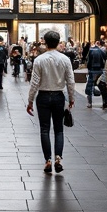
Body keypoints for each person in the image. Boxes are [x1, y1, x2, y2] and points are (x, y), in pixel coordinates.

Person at [26, 30, 76, 174]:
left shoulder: (39, 60)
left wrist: (30, 101)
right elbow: (70, 81)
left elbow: (34, 82)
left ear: (45, 42)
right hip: (59, 96)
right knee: (59, 129)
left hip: (42, 96)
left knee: (44, 129)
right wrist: (71, 98)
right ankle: (58, 158)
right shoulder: (65, 59)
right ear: (59, 42)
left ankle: (47, 160)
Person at [85, 38, 107, 109]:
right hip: (100, 70)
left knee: (90, 87)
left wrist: (88, 69)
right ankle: (105, 102)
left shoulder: (91, 51)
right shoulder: (101, 51)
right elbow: (106, 58)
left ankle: (89, 103)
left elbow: (88, 61)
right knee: (102, 86)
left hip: (92, 70)